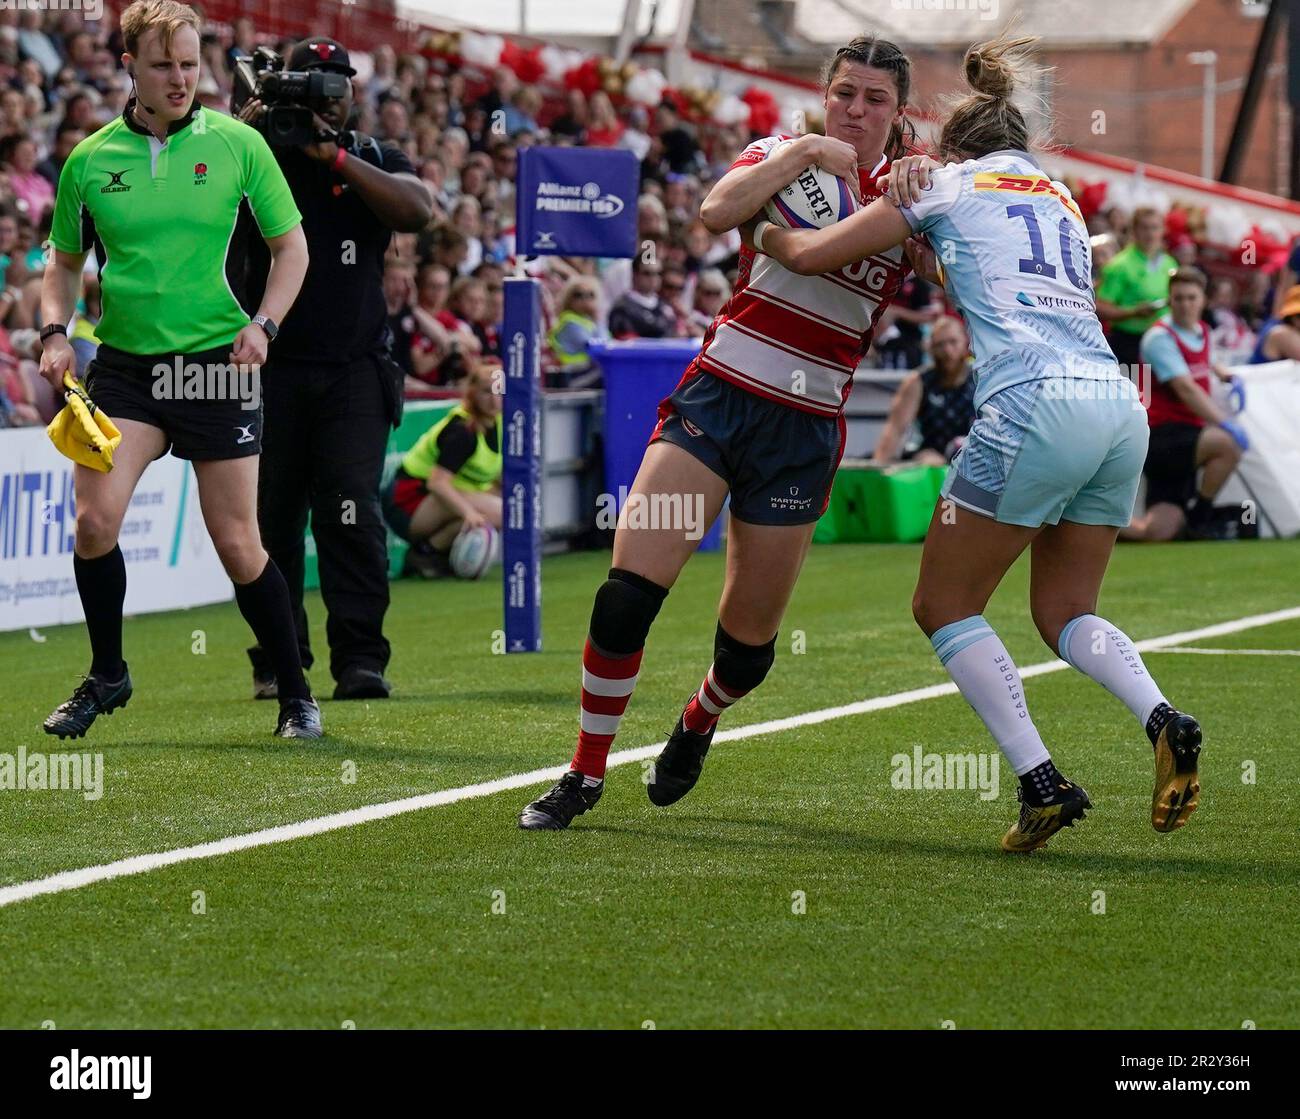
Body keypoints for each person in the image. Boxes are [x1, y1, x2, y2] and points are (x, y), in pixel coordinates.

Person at [751, 34, 1201, 852]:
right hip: (1115, 403)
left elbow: (815, 254)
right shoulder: (1062, 199)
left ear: (950, 144)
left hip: (1031, 401)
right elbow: (979, 270)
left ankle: (1042, 783)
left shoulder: (946, 183)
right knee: (1067, 611)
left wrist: (765, 234)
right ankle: (1163, 715)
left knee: (942, 603)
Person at [518, 34, 933, 830]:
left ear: (896, 112)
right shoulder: (782, 152)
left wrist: (929, 202)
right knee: (622, 597)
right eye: (844, 92)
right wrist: (807, 148)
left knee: (747, 651)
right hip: (716, 401)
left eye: (874, 100)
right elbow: (715, 212)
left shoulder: (911, 192)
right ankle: (583, 772)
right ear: (825, 92)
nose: (854, 110)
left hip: (803, 430)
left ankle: (700, 716)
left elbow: (946, 272)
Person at [38, 0, 318, 739]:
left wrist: (265, 325)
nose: (181, 78)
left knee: (237, 543)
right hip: (127, 369)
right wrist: (54, 331)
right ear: (129, 64)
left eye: (191, 63)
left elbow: (293, 251)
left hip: (218, 366)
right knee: (94, 521)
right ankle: (108, 675)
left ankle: (295, 693)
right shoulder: (90, 160)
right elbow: (61, 262)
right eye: (164, 64)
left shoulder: (236, 145)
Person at [235, 35, 434, 702]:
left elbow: (418, 208)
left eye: (337, 84)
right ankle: (280, 659)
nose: (327, 95)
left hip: (353, 369)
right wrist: (245, 127)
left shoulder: (372, 155)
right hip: (268, 365)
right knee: (270, 522)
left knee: (350, 512)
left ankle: (360, 659)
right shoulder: (249, 152)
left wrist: (337, 156)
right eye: (310, 83)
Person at [1121, 269, 1248, 542]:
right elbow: (1186, 389)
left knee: (1157, 532)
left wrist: (1225, 374)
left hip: (1187, 437)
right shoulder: (1160, 338)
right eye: (1178, 298)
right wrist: (1223, 423)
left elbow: (1207, 360)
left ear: (1203, 300)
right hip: (1164, 436)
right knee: (1228, 444)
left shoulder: (1202, 330)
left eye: (1192, 298)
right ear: (1169, 300)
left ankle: (1080, 523)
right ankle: (1201, 519)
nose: (1185, 305)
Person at [381, 363, 502, 576]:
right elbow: (437, 483)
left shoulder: (499, 424)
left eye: (499, 391)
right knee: (500, 512)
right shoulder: (463, 432)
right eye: (486, 391)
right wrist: (469, 513)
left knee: (505, 505)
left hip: (432, 499)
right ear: (472, 392)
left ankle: (436, 552)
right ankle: (426, 552)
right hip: (407, 503)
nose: (494, 399)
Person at [871, 315, 975, 465]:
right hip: (932, 461)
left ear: (965, 341)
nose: (947, 350)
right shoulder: (917, 381)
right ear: (931, 347)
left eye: (953, 342)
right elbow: (894, 429)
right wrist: (879, 470)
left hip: (973, 461)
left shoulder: (981, 378)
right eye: (940, 344)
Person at [1096, 207, 1178, 371]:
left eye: (1154, 227)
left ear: (1163, 230)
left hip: (1161, 341)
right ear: (1134, 230)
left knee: (1152, 394)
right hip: (1128, 343)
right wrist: (1133, 312)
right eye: (1144, 228)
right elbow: (1100, 306)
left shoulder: (1169, 263)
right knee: (1132, 393)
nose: (1150, 233)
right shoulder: (1120, 265)